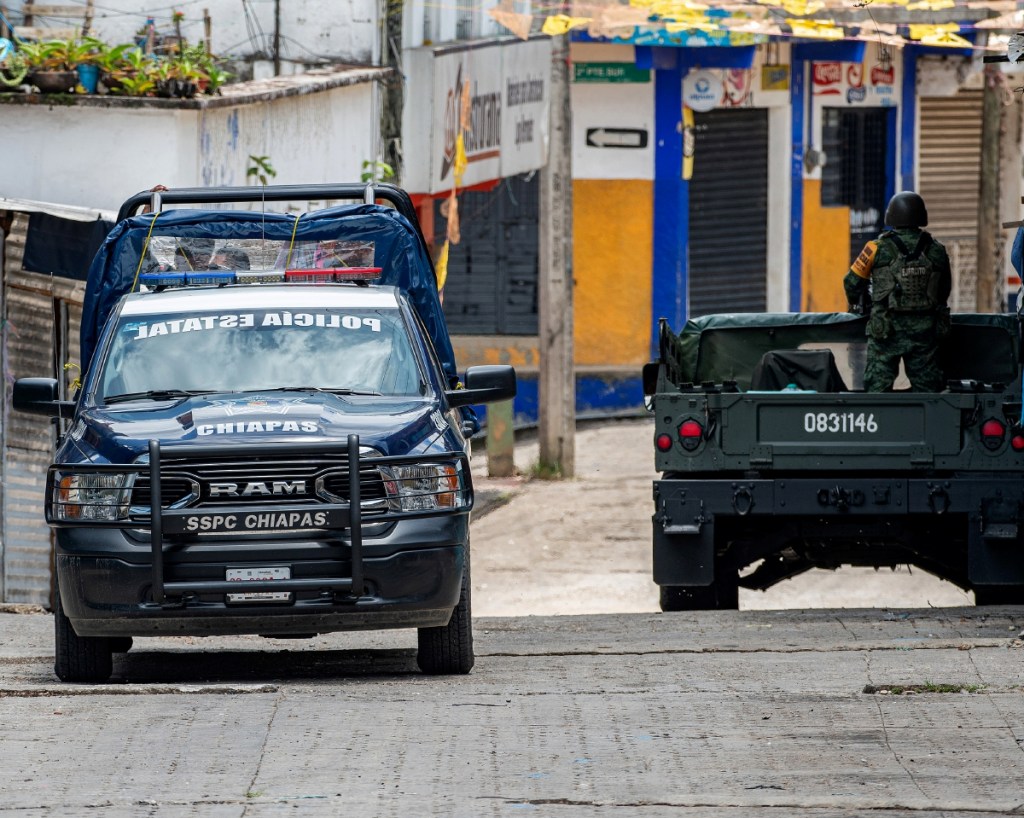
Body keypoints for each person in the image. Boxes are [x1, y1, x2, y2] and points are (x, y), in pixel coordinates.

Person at [844, 191, 952, 392]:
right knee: (930, 393)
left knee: (877, 391)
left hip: (885, 332)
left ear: (891, 216)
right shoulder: (937, 250)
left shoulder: (875, 248)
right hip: (925, 334)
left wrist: (861, 304)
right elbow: (944, 290)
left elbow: (851, 283)